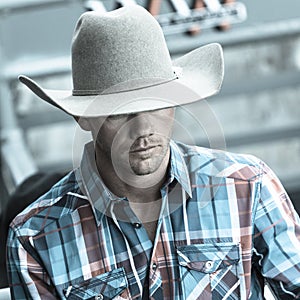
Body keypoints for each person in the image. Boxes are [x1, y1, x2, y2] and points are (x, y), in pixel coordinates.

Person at [6, 5, 300, 300]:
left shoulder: (248, 186)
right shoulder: (35, 237)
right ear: (82, 117)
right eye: (120, 112)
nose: (144, 128)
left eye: (158, 103)